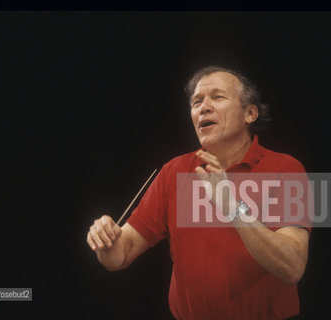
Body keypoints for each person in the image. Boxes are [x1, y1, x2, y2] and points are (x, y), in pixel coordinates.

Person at [86, 66, 311, 320]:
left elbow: (292, 267)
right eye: (196, 102)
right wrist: (105, 239)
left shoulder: (285, 169)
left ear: (250, 113)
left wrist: (232, 207)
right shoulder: (174, 172)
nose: (203, 107)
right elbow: (120, 255)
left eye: (217, 97)